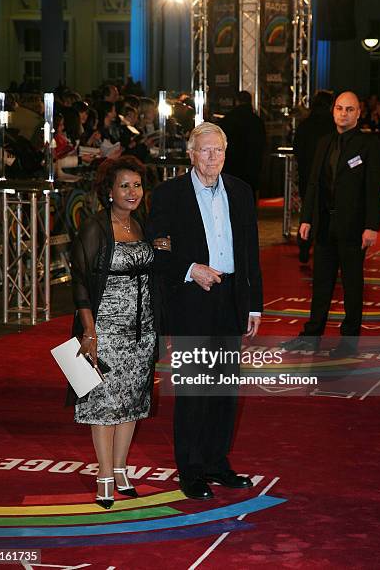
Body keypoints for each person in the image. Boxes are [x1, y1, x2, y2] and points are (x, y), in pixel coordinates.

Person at [147, 122, 263, 500]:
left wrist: (255, 305)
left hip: (230, 298)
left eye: (219, 151)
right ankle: (191, 469)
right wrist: (190, 269)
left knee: (225, 388)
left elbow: (250, 254)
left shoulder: (242, 192)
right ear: (191, 154)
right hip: (192, 298)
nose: (213, 157)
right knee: (196, 388)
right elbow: (157, 250)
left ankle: (216, 462)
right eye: (206, 151)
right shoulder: (169, 194)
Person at [70, 156, 169, 509]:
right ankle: (104, 474)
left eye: (137, 185)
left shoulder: (143, 225)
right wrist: (89, 331)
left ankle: (123, 468)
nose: (132, 192)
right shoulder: (96, 226)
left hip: (142, 330)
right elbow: (81, 281)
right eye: (124, 185)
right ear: (109, 191)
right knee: (103, 405)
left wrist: (162, 251)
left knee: (132, 403)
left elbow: (155, 269)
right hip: (105, 328)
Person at [282, 91, 380, 358]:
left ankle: (349, 342)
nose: (343, 113)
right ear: (333, 111)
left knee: (352, 286)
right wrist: (306, 219)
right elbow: (314, 184)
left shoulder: (368, 145)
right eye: (339, 108)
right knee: (321, 283)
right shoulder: (324, 142)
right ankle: (311, 335)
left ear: (358, 113)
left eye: (349, 109)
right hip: (325, 226)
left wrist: (372, 225)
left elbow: (374, 189)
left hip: (354, 228)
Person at [293, 90, 335, 263]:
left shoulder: (305, 125)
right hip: (328, 178)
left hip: (306, 175)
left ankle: (304, 246)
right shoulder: (332, 126)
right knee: (327, 214)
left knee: (307, 212)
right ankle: (325, 250)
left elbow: (297, 149)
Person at [219, 90, 266, 201]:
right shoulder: (257, 121)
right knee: (249, 197)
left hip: (231, 165)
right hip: (252, 166)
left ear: (237, 102)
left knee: (231, 197)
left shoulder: (228, 120)